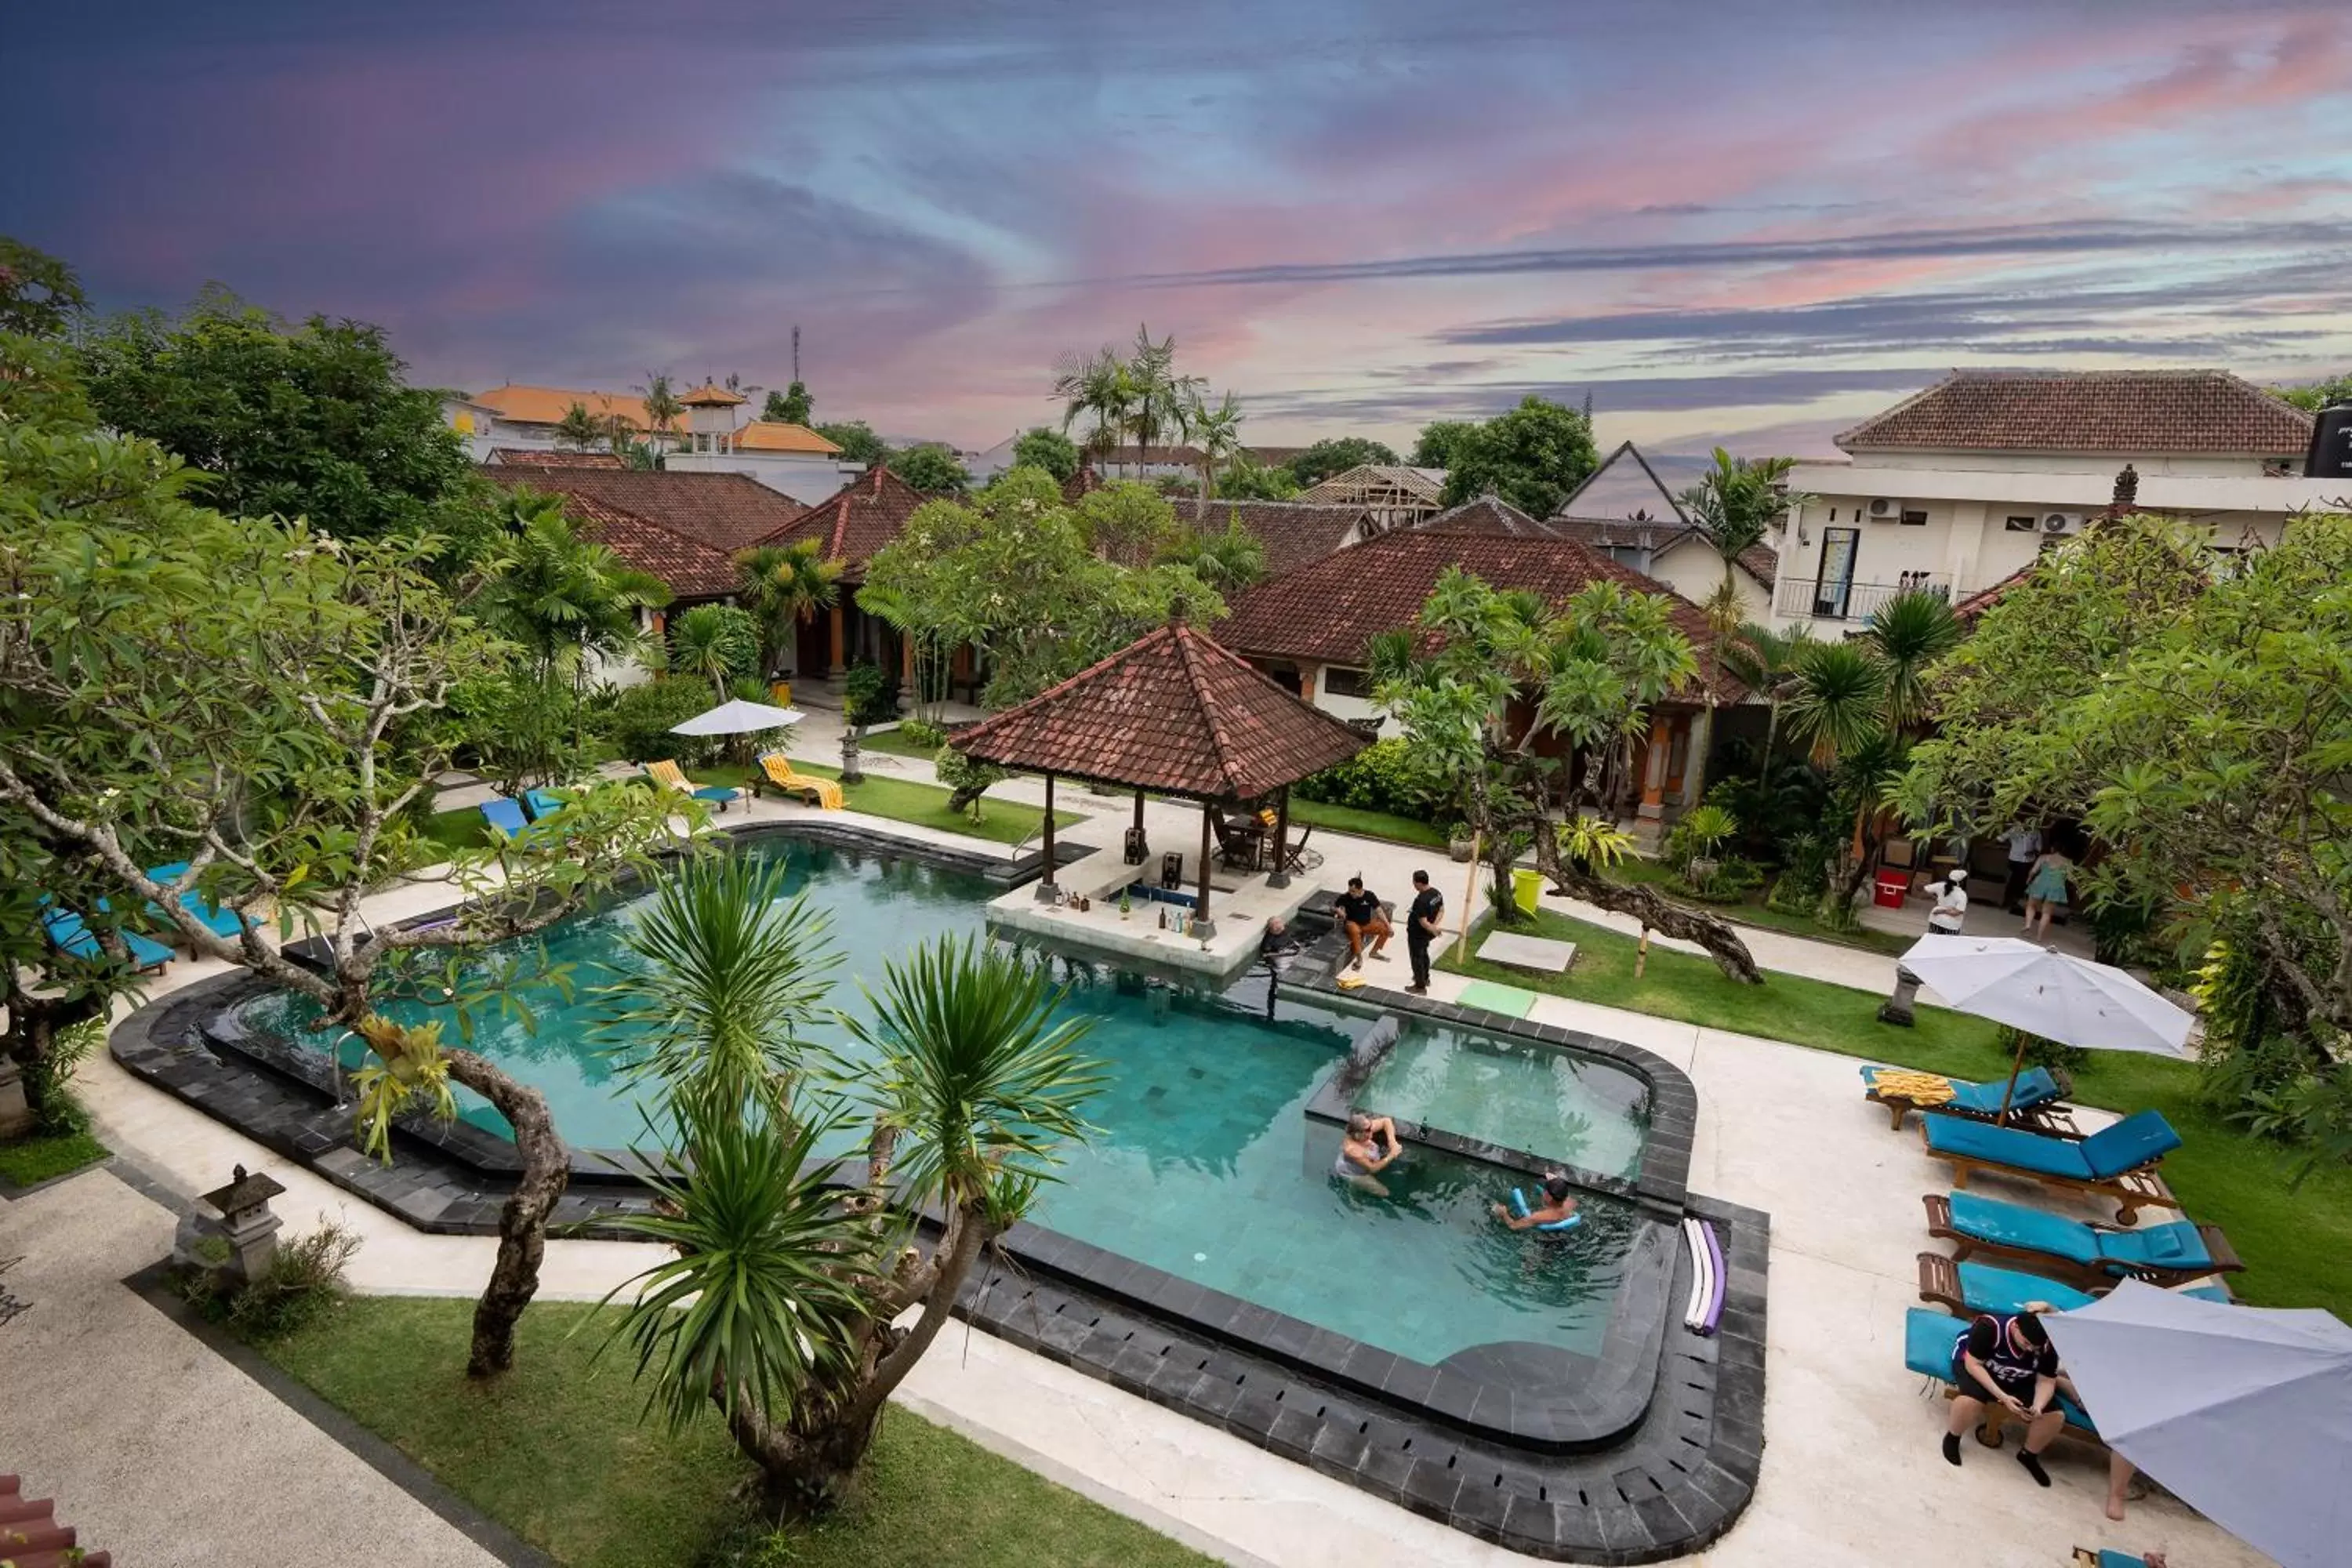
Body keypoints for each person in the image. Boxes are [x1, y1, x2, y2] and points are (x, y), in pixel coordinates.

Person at [1941, 1308, 2067, 1487]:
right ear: (2015, 1327)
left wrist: (2038, 1406)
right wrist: (2003, 1397)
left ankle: (2028, 1455)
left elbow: (2046, 1381)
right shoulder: (1989, 1328)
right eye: (2027, 1343)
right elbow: (1973, 1364)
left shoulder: (2047, 1345)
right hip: (1979, 1366)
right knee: (1971, 1401)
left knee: (2055, 1415)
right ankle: (1952, 1438)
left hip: (2019, 1375)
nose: (2031, 1348)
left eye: (2035, 1347)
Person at [1333, 1111, 1402, 1195]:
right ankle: (1353, 1188)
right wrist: (1391, 1155)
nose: (1371, 1131)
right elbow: (1373, 1169)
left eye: (1370, 1127)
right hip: (1354, 1174)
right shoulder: (1352, 1150)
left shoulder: (1365, 1129)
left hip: (1362, 1160)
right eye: (1367, 1131)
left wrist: (1392, 1142)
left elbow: (1386, 1121)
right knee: (1384, 1193)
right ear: (1357, 1134)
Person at [1332, 877, 1392, 969]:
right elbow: (1333, 907)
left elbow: (1379, 911)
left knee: (1386, 930)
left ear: (1360, 890)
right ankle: (1359, 958)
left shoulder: (1369, 896)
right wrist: (1338, 911)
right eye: (1350, 890)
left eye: (1353, 891)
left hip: (1366, 924)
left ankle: (1374, 952)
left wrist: (1389, 926)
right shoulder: (1345, 897)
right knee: (1355, 932)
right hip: (1352, 922)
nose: (1351, 893)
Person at [1403, 869, 1444, 994]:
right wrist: (1434, 926)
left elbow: (1423, 922)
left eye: (1414, 882)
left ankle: (1420, 987)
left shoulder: (1421, 900)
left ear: (1419, 883)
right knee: (1424, 954)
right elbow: (1441, 910)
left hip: (1418, 934)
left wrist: (1434, 929)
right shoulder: (1436, 893)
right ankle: (1425, 978)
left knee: (1417, 959)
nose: (1413, 884)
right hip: (1427, 933)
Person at [1492, 1173, 1579, 1230]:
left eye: (1545, 1190)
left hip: (1546, 1240)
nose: (1543, 1192)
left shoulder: (1539, 1216)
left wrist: (1504, 1213)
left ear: (1549, 1197)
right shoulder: (1570, 1202)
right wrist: (1555, 1181)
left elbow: (1513, 1226)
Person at [2024, 845, 2074, 941]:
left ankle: (2028, 925)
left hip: (2040, 883)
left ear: (2052, 849)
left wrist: (2029, 879)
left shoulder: (2043, 857)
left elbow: (2033, 871)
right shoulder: (2068, 862)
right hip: (2055, 886)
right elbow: (2071, 878)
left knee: (2031, 905)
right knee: (2046, 913)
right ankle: (2039, 936)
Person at [2001, 823, 2042, 914]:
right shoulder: (2015, 829)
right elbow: (2001, 838)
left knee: (2023, 882)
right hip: (2014, 859)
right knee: (2014, 880)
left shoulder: (2036, 831)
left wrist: (2032, 852)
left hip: (2028, 861)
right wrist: (2011, 846)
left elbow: (2039, 848)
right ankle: (2009, 900)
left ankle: (2016, 901)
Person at [1927, 869, 1969, 935]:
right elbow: (1958, 912)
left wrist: (1935, 898)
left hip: (1935, 919)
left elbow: (1924, 888)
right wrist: (1944, 911)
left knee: (1933, 941)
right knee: (1948, 943)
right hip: (1951, 925)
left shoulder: (1940, 885)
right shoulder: (1961, 894)